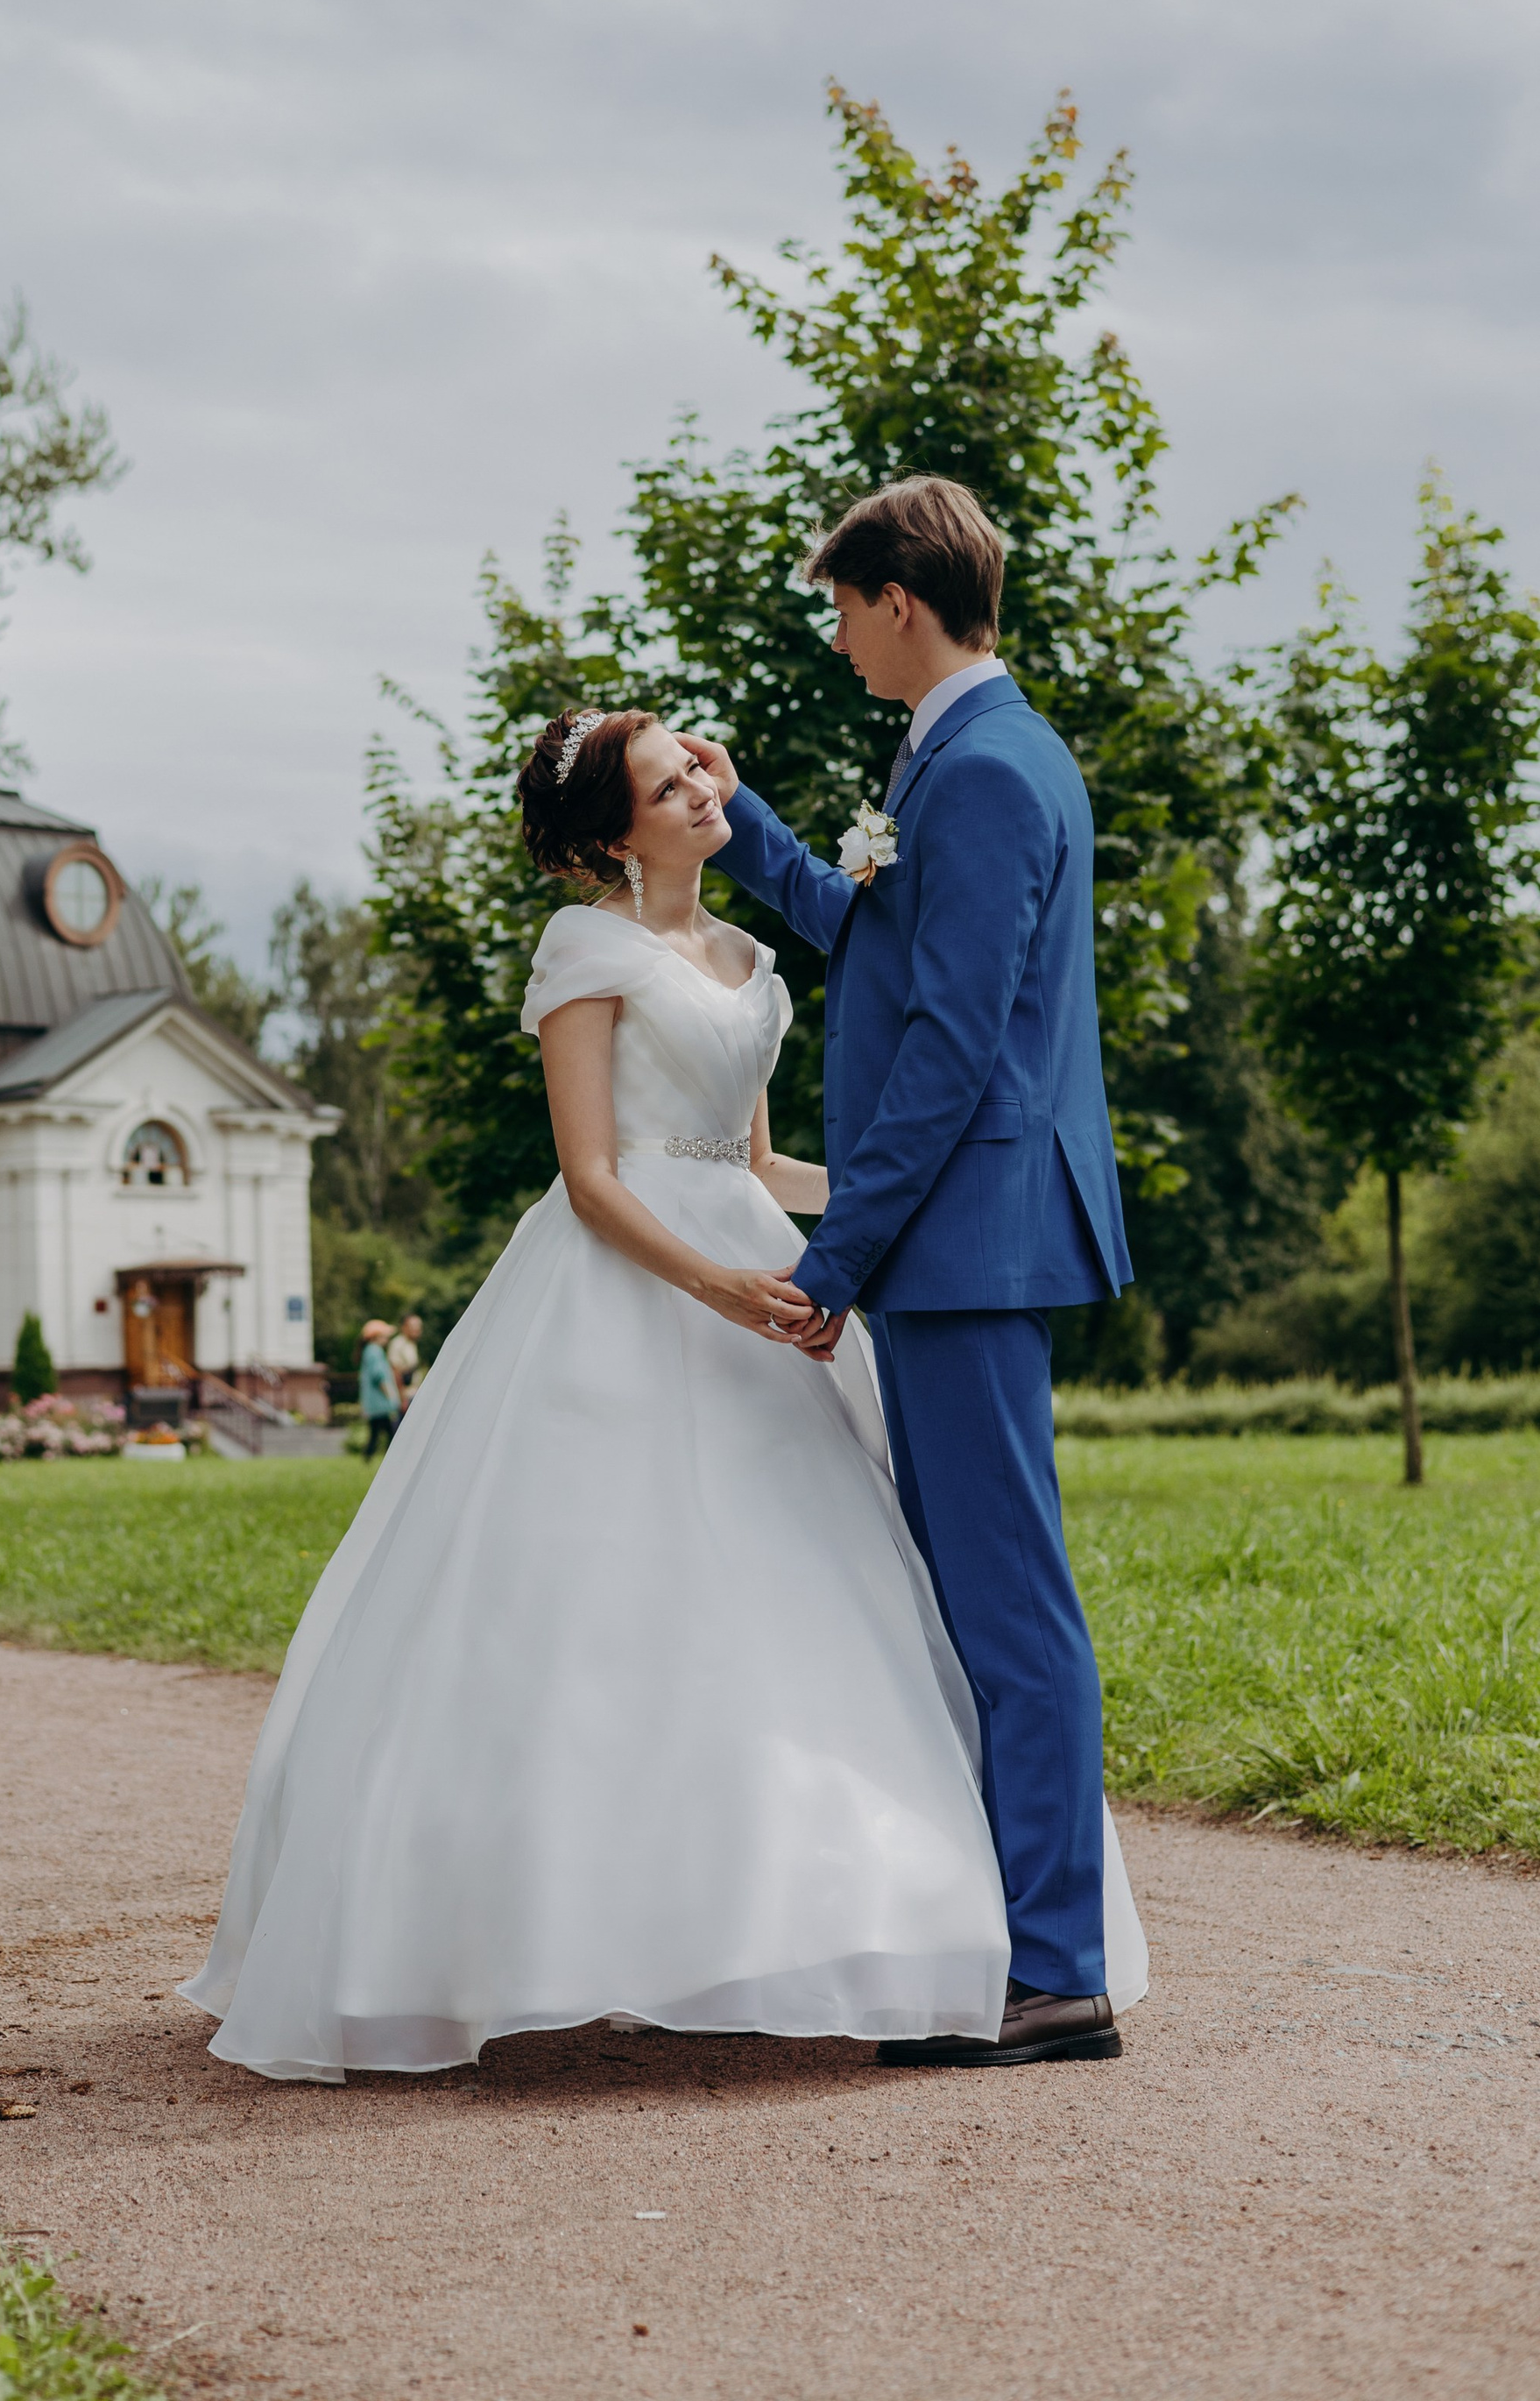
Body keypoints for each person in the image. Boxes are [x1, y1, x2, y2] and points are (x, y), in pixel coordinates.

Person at [180, 699, 1145, 2082]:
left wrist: (885, 1219)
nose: (701, 784)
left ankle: (785, 1923)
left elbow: (758, 1170)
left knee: (811, 1602)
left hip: (760, 1280)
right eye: (665, 779)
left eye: (692, 763)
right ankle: (528, 1931)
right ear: (609, 839)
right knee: (593, 1623)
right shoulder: (583, 953)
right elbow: (593, 1179)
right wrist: (722, 1289)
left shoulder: (751, 955)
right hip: (632, 1288)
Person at [689, 472, 1136, 2068]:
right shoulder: (946, 755)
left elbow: (951, 1044)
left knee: (1012, 1605)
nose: (832, 633)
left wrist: (839, 1251)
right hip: (950, 1243)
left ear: (897, 595)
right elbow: (866, 939)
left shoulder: (996, 768)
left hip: (964, 1242)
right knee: (970, 1595)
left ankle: (1058, 1968)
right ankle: (1003, 1948)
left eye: (837, 602)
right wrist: (740, 817)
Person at [356, 1321, 400, 1456]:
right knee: (390, 1433)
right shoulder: (375, 1351)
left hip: (374, 1403)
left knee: (375, 1433)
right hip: (380, 1402)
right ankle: (392, 1456)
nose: (387, 1339)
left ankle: (369, 1456)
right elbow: (379, 1376)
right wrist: (390, 1395)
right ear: (376, 1337)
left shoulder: (369, 1351)